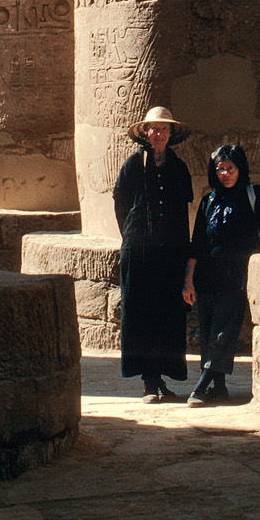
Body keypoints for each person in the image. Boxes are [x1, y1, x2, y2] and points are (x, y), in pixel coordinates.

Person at [183, 143, 260, 406]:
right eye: (220, 169)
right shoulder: (209, 201)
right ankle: (219, 388)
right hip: (207, 275)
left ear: (240, 169)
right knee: (208, 331)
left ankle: (201, 386)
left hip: (235, 274)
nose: (225, 174)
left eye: (231, 168)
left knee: (224, 329)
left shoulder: (254, 194)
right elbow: (197, 243)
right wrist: (188, 280)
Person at [113, 106, 194, 403]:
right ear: (145, 134)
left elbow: (183, 211)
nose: (159, 134)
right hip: (139, 252)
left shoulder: (178, 167)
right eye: (154, 129)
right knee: (141, 314)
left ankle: (163, 377)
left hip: (170, 254)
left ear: (171, 135)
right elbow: (120, 204)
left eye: (164, 129)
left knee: (167, 314)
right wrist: (133, 236)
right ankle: (149, 380)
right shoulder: (133, 165)